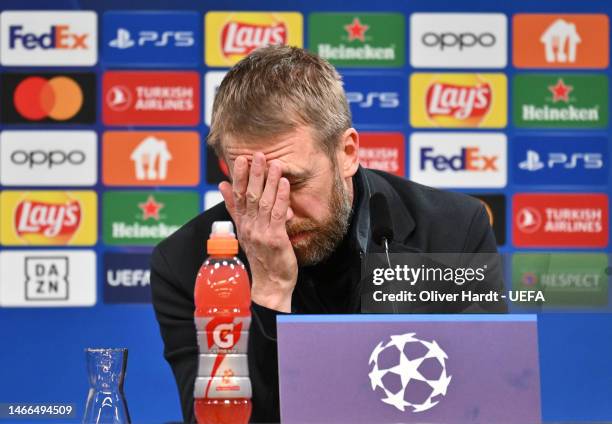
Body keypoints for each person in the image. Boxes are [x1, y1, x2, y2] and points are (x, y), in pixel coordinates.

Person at [150, 45, 507, 423]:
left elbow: (486, 404)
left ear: (347, 152)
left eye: (293, 182)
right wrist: (270, 292)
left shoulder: (453, 231)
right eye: (250, 186)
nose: (278, 212)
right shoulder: (187, 264)